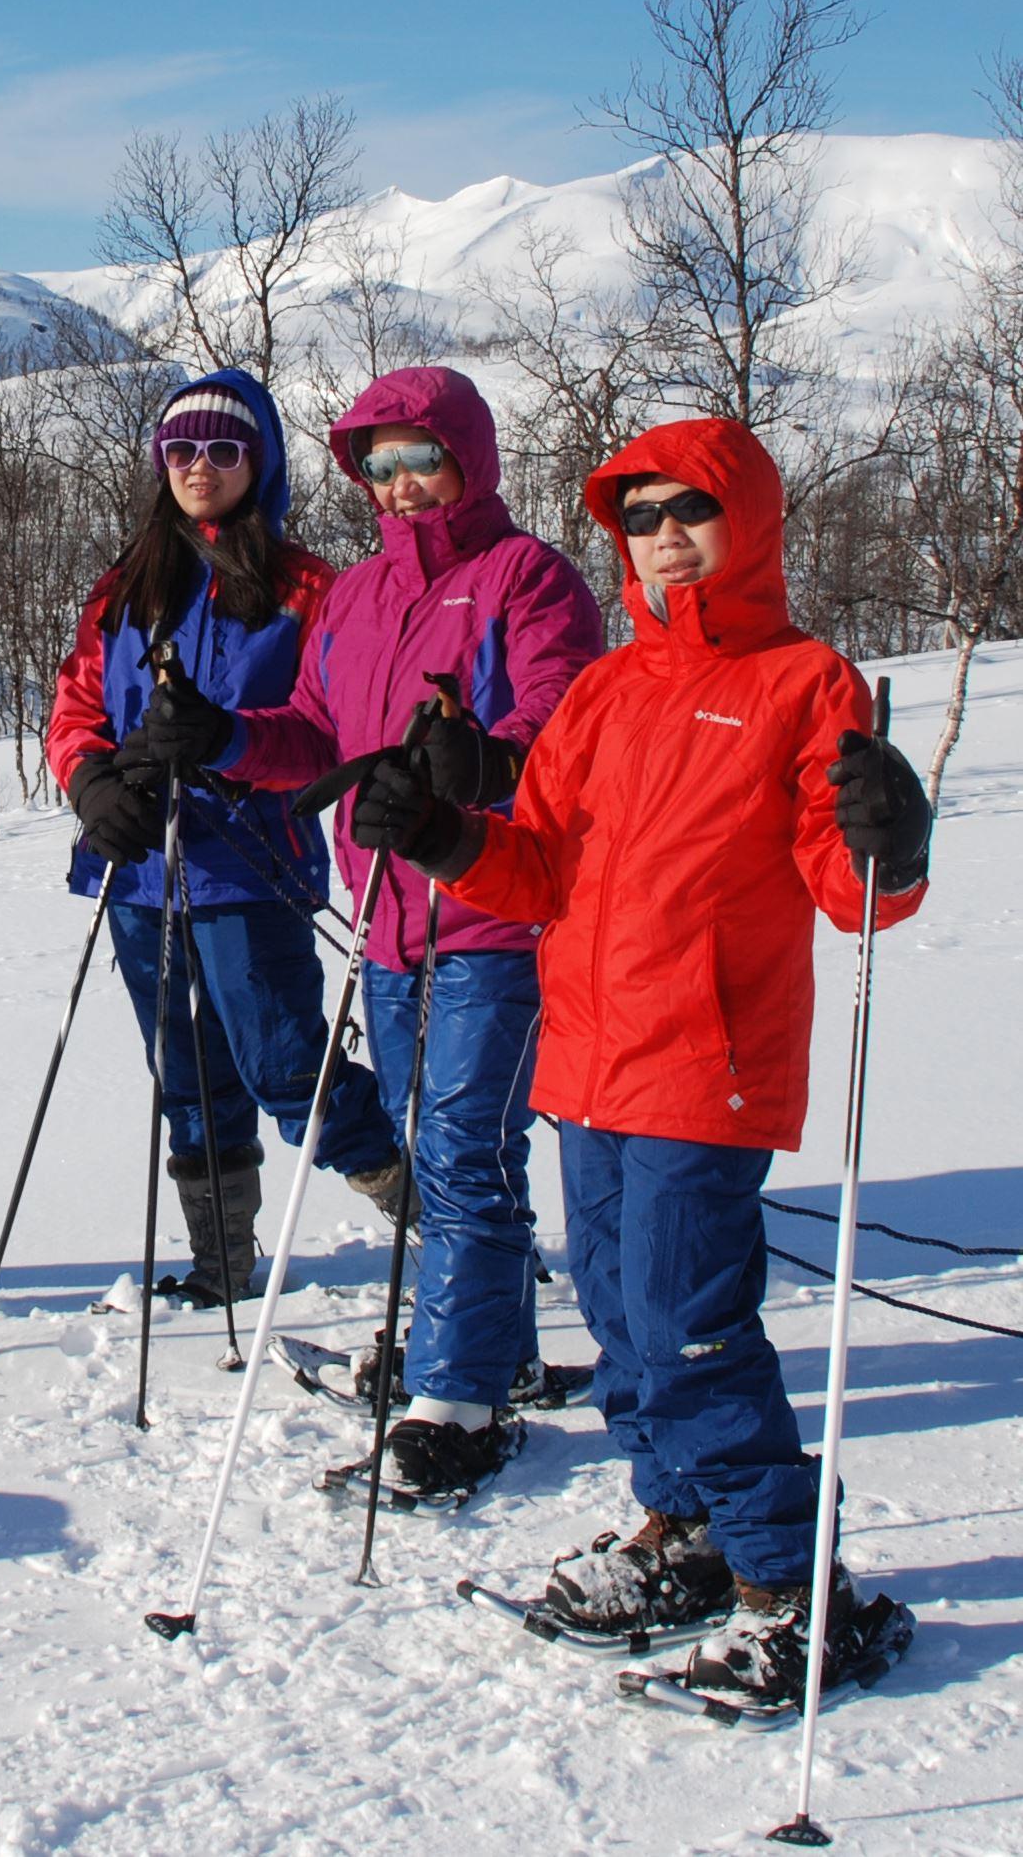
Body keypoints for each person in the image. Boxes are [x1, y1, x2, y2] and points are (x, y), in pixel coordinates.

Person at [354, 415, 931, 1699]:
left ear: (751, 519)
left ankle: (793, 1578)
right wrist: (445, 835)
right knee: (620, 1322)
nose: (667, 538)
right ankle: (687, 1524)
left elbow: (854, 888)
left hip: (705, 1061)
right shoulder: (607, 690)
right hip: (588, 1062)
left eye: (692, 511)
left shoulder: (806, 681)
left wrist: (894, 835)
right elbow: (542, 864)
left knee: (688, 1323)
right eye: (641, 516)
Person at [146, 365, 603, 1498]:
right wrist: (221, 734)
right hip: (389, 923)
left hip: (495, 906)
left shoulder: (527, 576)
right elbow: (310, 731)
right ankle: (497, 1345)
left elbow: (557, 720)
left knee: (456, 1149)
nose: (401, 486)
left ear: (470, 460)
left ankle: (458, 1399)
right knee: (444, 1142)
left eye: (422, 460)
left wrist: (482, 762)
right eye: (380, 465)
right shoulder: (352, 598)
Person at [47, 368, 401, 1305]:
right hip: (135, 870)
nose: (199, 468)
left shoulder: (307, 588)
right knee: (187, 1073)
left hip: (248, 866)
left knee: (287, 1064)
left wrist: (229, 742)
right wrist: (90, 787)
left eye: (223, 450)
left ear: (261, 463)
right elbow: (76, 705)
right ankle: (223, 1261)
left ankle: (431, 1215)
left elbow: (329, 737)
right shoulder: (127, 583)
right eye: (181, 450)